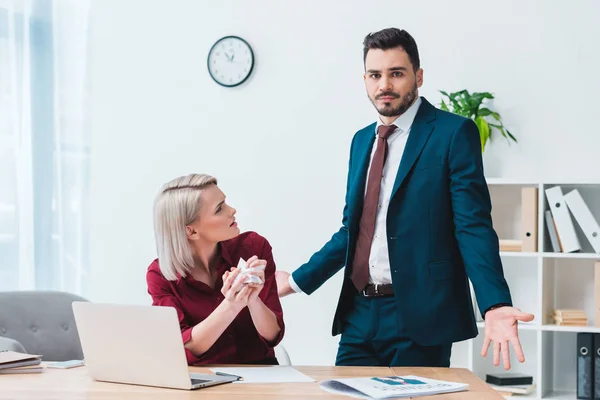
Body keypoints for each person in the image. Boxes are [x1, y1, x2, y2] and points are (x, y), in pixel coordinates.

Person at [276, 28, 534, 368]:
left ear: (419, 76)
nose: (385, 85)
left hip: (420, 314)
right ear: (365, 80)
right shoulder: (361, 141)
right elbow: (353, 231)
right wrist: (295, 281)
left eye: (396, 73)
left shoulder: (452, 133)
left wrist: (495, 303)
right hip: (359, 314)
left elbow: (471, 226)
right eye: (375, 75)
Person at [147, 173, 284, 365]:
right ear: (191, 231)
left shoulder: (253, 247)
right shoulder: (160, 275)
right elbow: (182, 348)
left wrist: (253, 300)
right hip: (200, 383)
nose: (232, 210)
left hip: (260, 380)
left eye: (225, 203)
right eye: (220, 209)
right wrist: (232, 305)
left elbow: (273, 335)